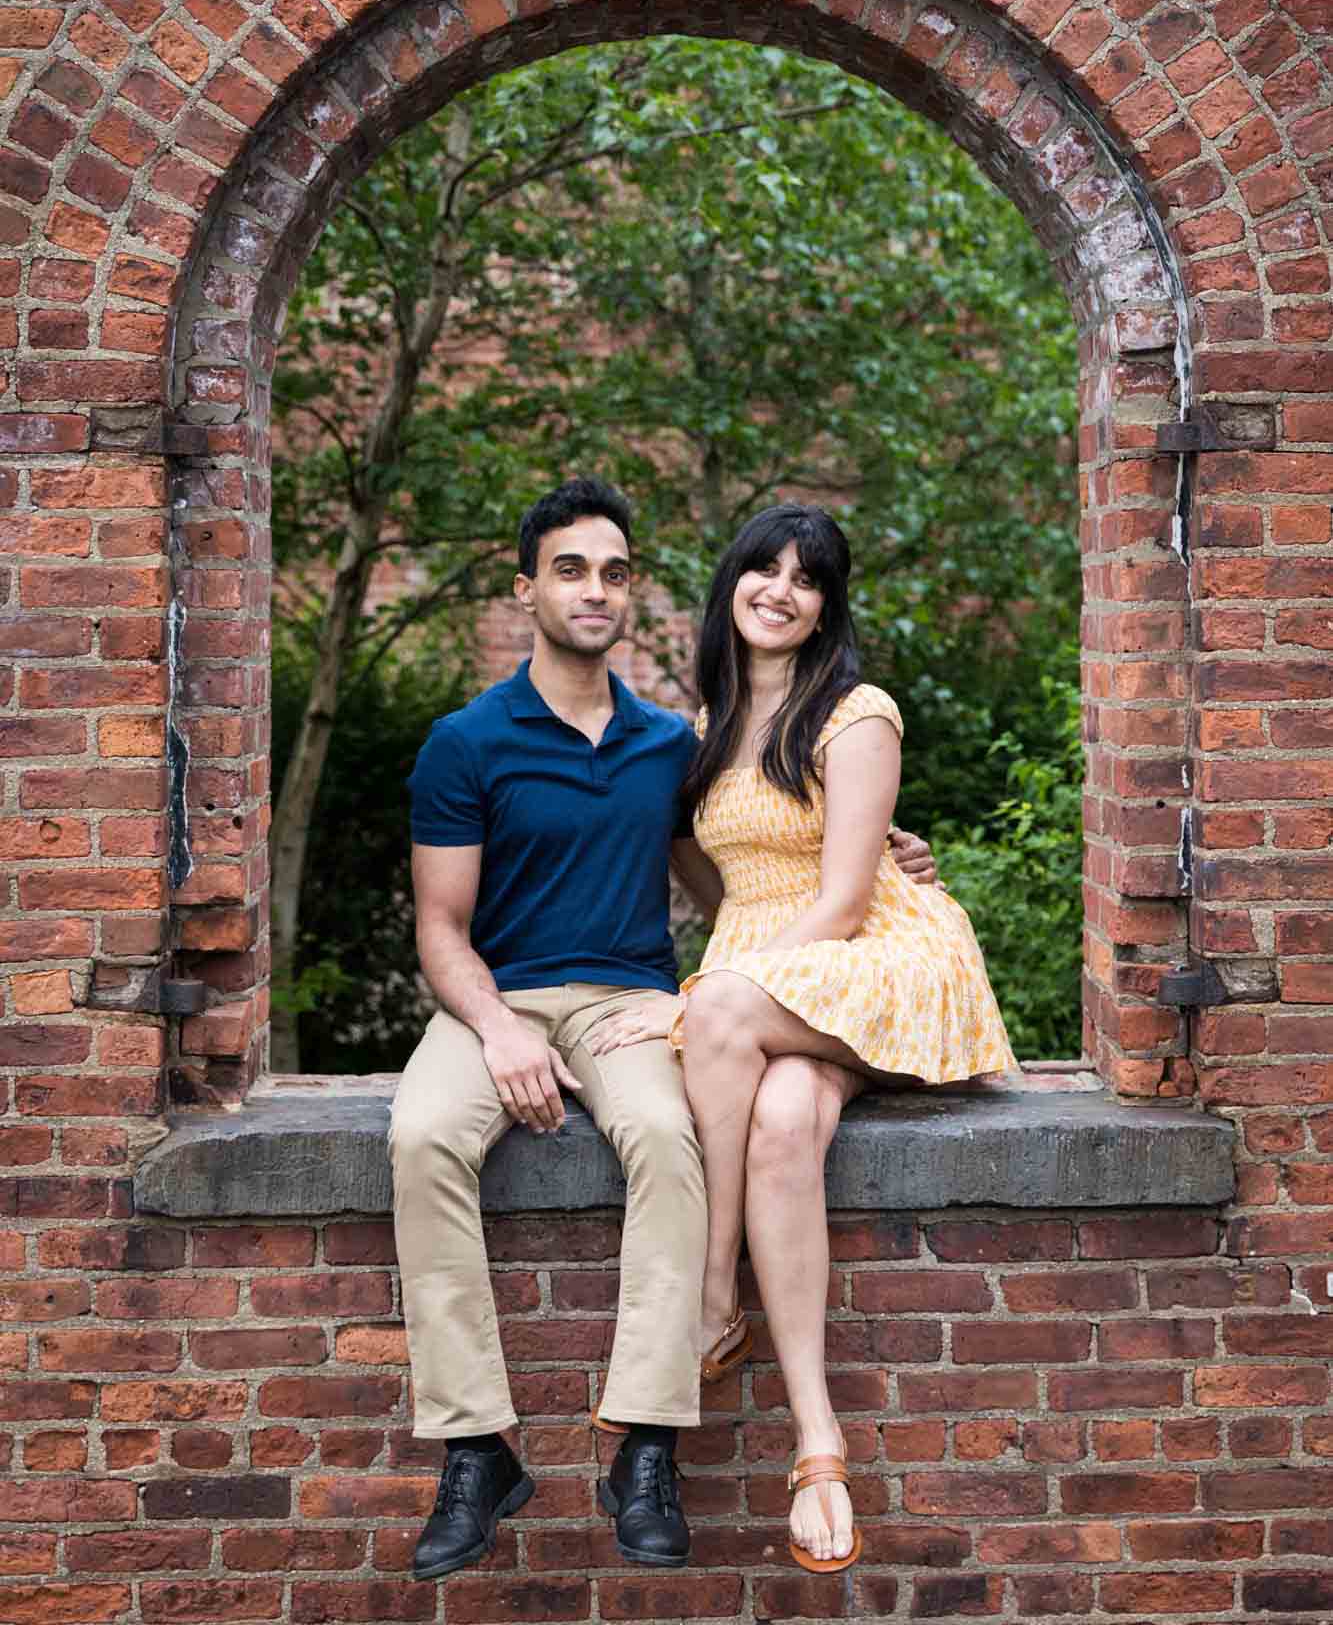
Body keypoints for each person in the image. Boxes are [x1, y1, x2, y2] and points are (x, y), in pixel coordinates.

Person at [391, 479, 937, 1581]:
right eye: (570, 569)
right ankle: (471, 1448)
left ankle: (645, 1443)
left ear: (633, 592)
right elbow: (440, 928)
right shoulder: (465, 741)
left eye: (614, 571)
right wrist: (496, 1027)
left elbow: (759, 846)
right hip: (495, 1000)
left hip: (629, 1003)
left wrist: (889, 854)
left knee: (668, 1136)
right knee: (417, 1138)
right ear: (526, 588)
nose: (594, 589)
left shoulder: (664, 745)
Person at [589, 502, 1018, 1575]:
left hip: (872, 952)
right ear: (730, 581)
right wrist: (726, 954)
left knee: (728, 1013)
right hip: (768, 976)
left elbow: (837, 900)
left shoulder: (854, 710)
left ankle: (711, 1298)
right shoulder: (703, 728)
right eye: (763, 568)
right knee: (783, 1122)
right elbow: (699, 866)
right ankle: (820, 1445)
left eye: (807, 576)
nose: (780, 588)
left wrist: (700, 1001)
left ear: (826, 604)